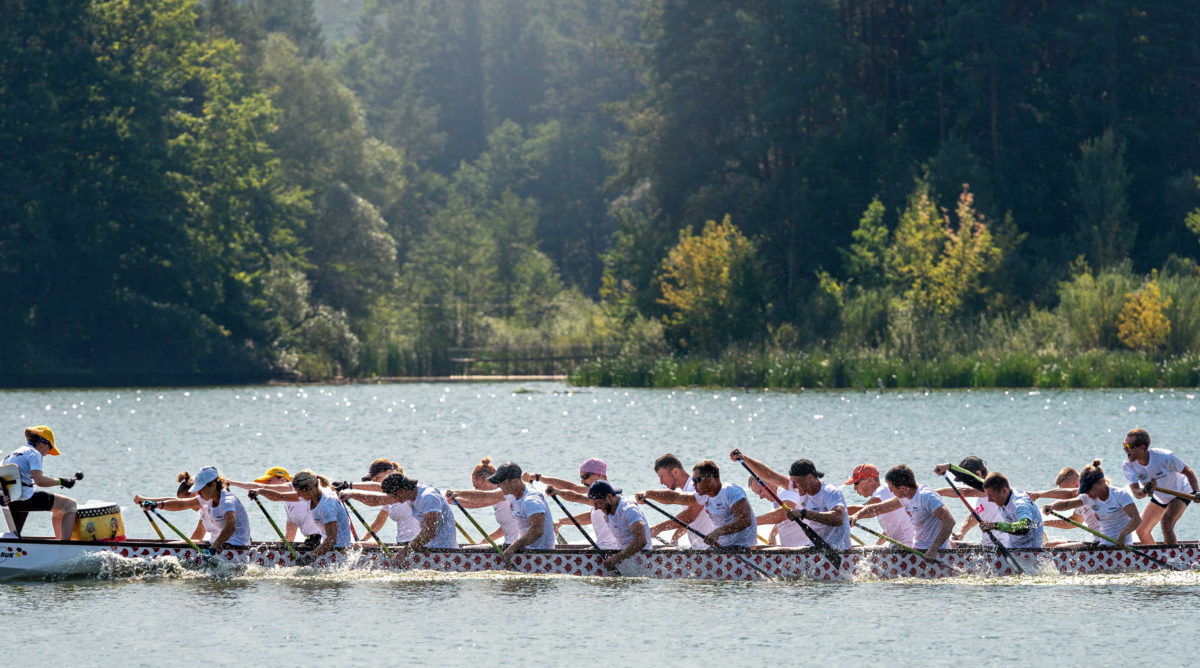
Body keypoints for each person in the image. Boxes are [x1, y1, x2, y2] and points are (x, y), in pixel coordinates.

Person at [731, 450, 851, 550]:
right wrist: (745, 459)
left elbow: (838, 518)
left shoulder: (830, 492)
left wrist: (804, 514)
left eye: (796, 482)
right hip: (817, 550)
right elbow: (770, 475)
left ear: (810, 477)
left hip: (840, 551)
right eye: (792, 481)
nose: (793, 486)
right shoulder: (800, 488)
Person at [638, 460, 758, 548]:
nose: (694, 484)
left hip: (742, 547)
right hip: (722, 548)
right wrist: (648, 494)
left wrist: (718, 532)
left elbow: (745, 520)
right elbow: (675, 497)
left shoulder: (731, 491)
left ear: (711, 479)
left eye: (697, 480)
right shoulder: (704, 495)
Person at [447, 462, 554, 561]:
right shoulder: (512, 492)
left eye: (501, 483)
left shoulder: (530, 501)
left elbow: (538, 531)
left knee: (470, 555)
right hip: (523, 549)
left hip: (538, 555)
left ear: (514, 481)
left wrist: (512, 549)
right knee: (470, 550)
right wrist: (458, 493)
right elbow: (485, 496)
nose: (499, 486)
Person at [342, 472, 456, 563]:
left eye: (394, 496)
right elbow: (377, 500)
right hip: (426, 547)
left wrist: (404, 553)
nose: (394, 500)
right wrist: (352, 494)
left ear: (400, 491)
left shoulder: (428, 497)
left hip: (443, 551)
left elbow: (430, 532)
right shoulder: (410, 492)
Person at [851, 465, 955, 561]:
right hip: (918, 550)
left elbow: (949, 521)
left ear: (903, 488)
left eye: (892, 488)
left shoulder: (927, 497)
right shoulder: (905, 496)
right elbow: (878, 508)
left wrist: (933, 550)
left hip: (937, 554)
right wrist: (856, 516)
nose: (891, 492)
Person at [137, 466, 251, 553]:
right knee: (180, 545)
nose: (198, 493)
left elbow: (230, 527)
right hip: (220, 546)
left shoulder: (227, 501)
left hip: (236, 549)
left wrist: (213, 549)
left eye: (200, 489)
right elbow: (181, 504)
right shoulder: (208, 499)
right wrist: (157, 505)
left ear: (213, 485)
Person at [1121, 428, 1199, 545]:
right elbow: (1137, 493)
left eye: (1129, 445)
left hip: (1181, 492)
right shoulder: (1128, 465)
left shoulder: (1165, 457)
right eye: (1124, 444)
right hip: (1160, 497)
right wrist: (1145, 490)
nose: (1125, 448)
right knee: (1141, 530)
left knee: (1166, 523)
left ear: (1142, 447)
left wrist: (1196, 491)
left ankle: (1173, 561)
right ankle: (1155, 561)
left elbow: (1188, 471)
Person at [255, 470, 350, 564]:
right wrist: (259, 491)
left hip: (339, 552)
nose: (298, 496)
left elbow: (331, 539)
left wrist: (309, 557)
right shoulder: (311, 495)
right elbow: (278, 496)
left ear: (310, 488)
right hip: (326, 548)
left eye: (299, 492)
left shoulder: (327, 505)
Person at [1041, 460, 1139, 547]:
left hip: (1120, 545)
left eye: (1089, 490)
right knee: (1050, 546)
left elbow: (1137, 519)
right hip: (1101, 544)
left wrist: (1123, 534)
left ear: (1101, 483)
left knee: (1059, 549)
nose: (1088, 494)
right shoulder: (1087, 497)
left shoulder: (1120, 495)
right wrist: (1052, 506)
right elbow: (1067, 504)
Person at [2, 426, 78, 539]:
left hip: (11, 501)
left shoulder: (12, 454)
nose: (48, 453)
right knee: (69, 505)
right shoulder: (34, 453)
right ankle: (65, 547)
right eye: (50, 447)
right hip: (25, 497)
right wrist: (62, 481)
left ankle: (58, 542)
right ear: (42, 443)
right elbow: (39, 481)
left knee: (15, 538)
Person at [527, 458, 616, 548]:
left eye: (585, 477)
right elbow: (573, 488)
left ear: (599, 474)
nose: (582, 481)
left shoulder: (608, 494)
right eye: (581, 477)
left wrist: (558, 492)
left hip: (611, 550)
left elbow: (578, 497)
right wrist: (539, 477)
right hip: (604, 547)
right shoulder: (602, 488)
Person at [334, 459, 419, 544]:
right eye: (372, 479)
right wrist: (363, 540)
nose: (374, 481)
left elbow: (378, 487)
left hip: (419, 545)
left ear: (389, 472)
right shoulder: (388, 497)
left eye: (377, 478)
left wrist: (348, 486)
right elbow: (379, 522)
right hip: (402, 543)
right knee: (360, 544)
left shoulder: (405, 490)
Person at [229, 467, 321, 544]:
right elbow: (289, 538)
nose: (266, 484)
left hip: (322, 541)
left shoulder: (291, 486)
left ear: (282, 479)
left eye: (269, 480)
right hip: (312, 541)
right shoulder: (289, 507)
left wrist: (231, 482)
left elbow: (266, 490)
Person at [443, 458, 521, 546]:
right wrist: (486, 540)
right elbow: (509, 526)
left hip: (520, 548)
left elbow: (476, 502)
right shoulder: (497, 497)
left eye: (477, 486)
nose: (476, 490)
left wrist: (457, 494)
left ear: (487, 480)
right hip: (511, 545)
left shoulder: (505, 492)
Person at [931, 456, 1007, 546]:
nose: (963, 483)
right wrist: (961, 532)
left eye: (965, 480)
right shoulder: (983, 497)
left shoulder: (994, 491)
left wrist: (930, 493)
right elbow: (977, 514)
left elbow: (964, 491)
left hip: (1006, 547)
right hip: (988, 546)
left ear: (978, 474)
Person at [646, 453, 715, 548]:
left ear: (675, 471)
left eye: (662, 476)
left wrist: (658, 528)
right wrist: (676, 536)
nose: (661, 482)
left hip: (713, 548)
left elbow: (690, 515)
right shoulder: (687, 488)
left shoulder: (694, 486)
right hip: (702, 548)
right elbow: (692, 519)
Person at [844, 463, 915, 547]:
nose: (854, 488)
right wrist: (876, 546)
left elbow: (865, 509)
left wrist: (835, 511)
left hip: (906, 546)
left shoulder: (882, 491)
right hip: (903, 544)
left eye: (856, 483)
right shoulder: (886, 491)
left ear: (870, 480)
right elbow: (889, 530)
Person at [585, 480, 650, 570]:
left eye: (598, 503)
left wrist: (614, 560)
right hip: (625, 558)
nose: (596, 508)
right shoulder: (607, 509)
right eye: (594, 504)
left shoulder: (629, 510)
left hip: (644, 561)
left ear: (609, 497)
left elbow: (641, 541)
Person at [977, 472, 1044, 549]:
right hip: (1013, 549)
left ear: (1004, 491)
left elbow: (1025, 526)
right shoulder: (1004, 497)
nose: (989, 500)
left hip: (1031, 552)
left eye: (991, 496)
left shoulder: (1020, 503)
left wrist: (995, 525)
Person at [747, 475, 808, 547]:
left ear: (769, 482)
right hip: (792, 549)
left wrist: (749, 522)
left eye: (760, 491)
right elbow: (783, 520)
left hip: (807, 547)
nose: (761, 497)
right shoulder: (777, 500)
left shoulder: (786, 490)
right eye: (758, 494)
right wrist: (772, 534)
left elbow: (782, 514)